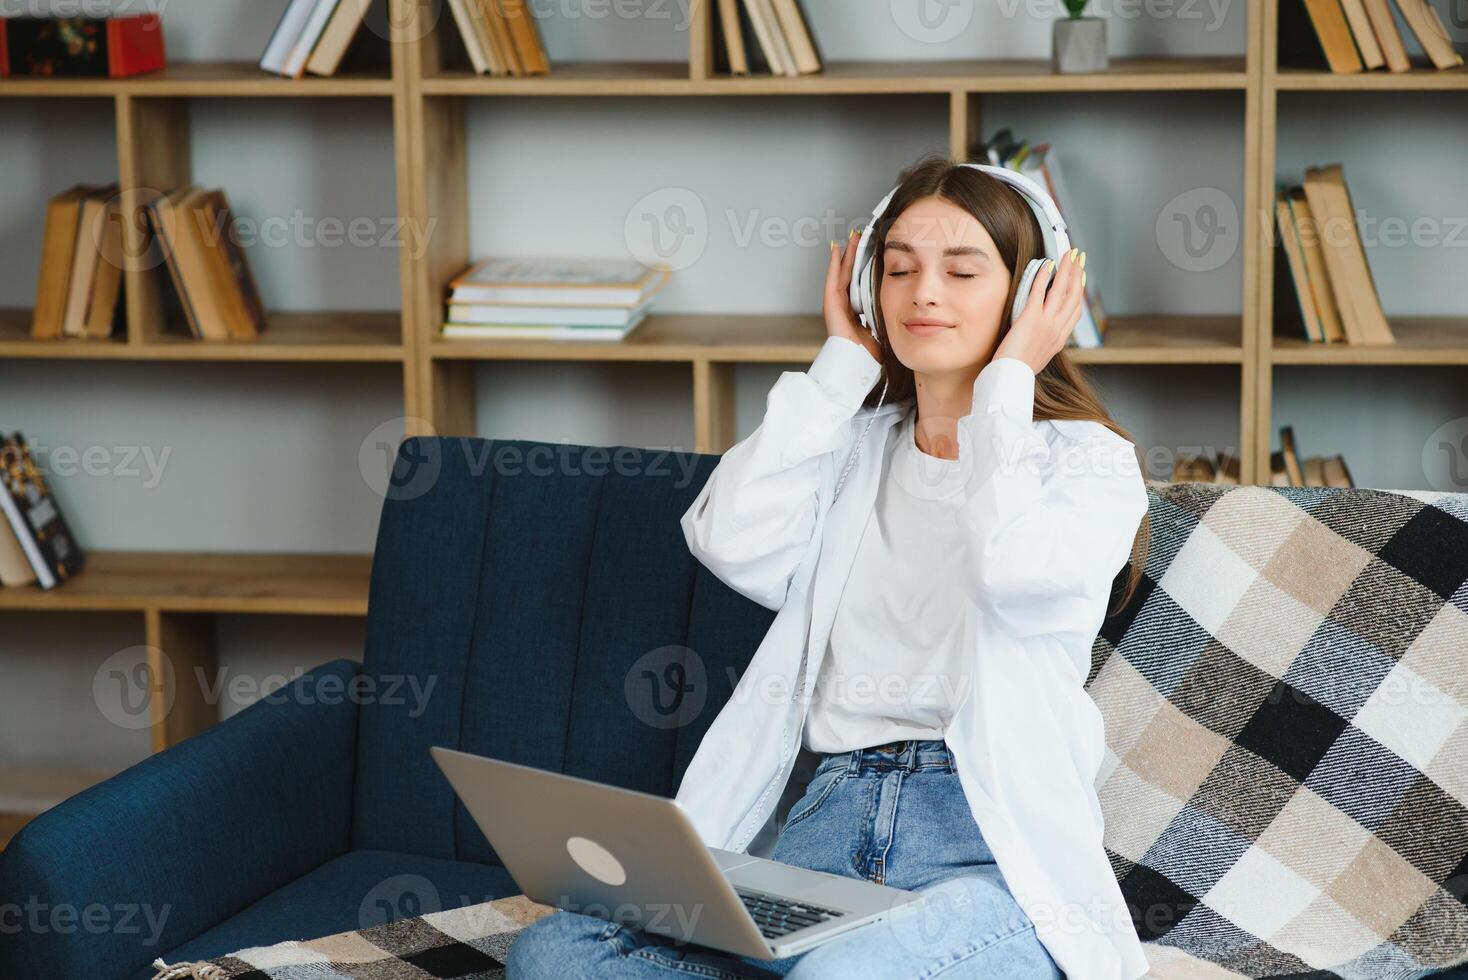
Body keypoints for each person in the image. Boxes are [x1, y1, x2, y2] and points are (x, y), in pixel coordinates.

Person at [507, 154, 1152, 979]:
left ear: (1032, 297)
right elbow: (730, 540)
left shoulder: (1088, 462)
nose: (924, 293)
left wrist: (1010, 382)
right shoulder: (852, 445)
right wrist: (840, 366)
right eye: (898, 269)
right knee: (558, 952)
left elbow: (1009, 572)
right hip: (825, 830)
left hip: (984, 856)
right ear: (866, 292)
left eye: (962, 270)